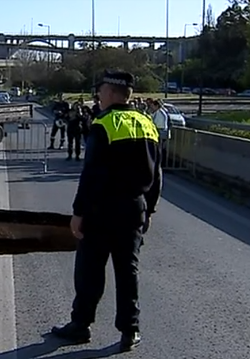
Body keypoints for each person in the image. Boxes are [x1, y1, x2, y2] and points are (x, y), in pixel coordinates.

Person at [52, 71, 162, 352]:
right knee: (128, 272)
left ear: (112, 93)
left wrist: (79, 212)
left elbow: (92, 175)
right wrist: (149, 209)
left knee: (89, 270)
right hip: (134, 209)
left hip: (103, 210)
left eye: (99, 91)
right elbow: (157, 173)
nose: (97, 96)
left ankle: (81, 325)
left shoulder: (103, 125)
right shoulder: (147, 124)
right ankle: (130, 331)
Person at [147, 99, 171, 167]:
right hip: (162, 132)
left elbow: (155, 123)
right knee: (160, 149)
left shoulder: (159, 113)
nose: (152, 107)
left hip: (160, 132)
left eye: (153, 106)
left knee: (159, 149)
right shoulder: (161, 112)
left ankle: (159, 163)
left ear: (156, 106)